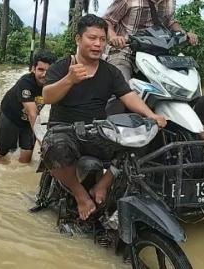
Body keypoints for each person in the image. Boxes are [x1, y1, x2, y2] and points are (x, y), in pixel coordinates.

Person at [41, 14, 167, 220]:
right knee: (56, 148)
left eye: (102, 39)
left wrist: (152, 116)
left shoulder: (111, 72)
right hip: (64, 130)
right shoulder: (62, 67)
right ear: (78, 39)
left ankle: (103, 185)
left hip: (97, 131)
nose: (98, 44)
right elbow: (47, 96)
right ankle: (80, 195)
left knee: (141, 141)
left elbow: (129, 96)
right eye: (92, 38)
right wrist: (70, 79)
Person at [103, 0, 199, 82]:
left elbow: (170, 22)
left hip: (154, 56)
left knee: (181, 83)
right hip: (125, 52)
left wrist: (184, 34)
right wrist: (114, 37)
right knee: (121, 91)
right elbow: (107, 20)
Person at [0, 50, 57, 164]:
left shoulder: (55, 84)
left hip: (28, 123)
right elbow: (32, 113)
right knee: (1, 153)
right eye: (41, 70)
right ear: (33, 69)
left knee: (26, 160)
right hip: (10, 116)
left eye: (49, 70)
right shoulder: (25, 83)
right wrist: (42, 142)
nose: (45, 74)